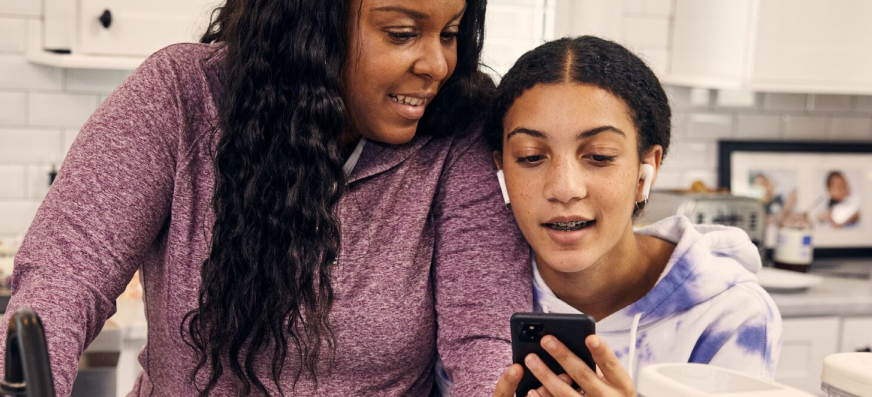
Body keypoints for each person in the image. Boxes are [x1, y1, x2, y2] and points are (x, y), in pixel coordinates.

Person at [0, 0, 532, 396]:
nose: (438, 65)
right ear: (312, 26)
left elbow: (485, 339)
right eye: (401, 33)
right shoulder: (181, 97)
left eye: (451, 33)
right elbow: (66, 276)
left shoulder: (455, 137)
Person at [487, 37, 781, 397]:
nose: (564, 188)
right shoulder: (475, 297)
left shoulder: (728, 313)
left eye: (599, 155)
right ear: (501, 168)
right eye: (531, 156)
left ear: (648, 168)